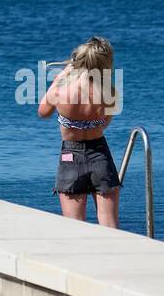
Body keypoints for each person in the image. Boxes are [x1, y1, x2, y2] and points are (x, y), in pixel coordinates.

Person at [38, 35, 121, 227]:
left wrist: (61, 76)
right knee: (110, 226)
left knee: (74, 228)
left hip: (70, 157)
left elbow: (43, 112)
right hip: (100, 155)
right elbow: (104, 124)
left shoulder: (60, 90)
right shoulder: (109, 92)